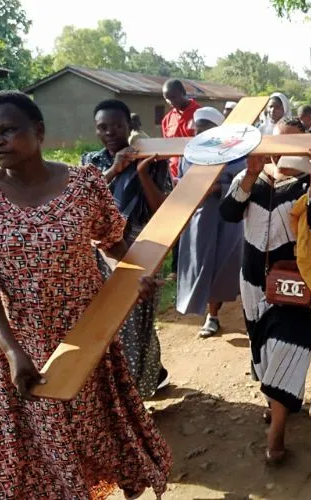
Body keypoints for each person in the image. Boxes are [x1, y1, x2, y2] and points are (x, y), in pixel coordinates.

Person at [0, 90, 171, 498]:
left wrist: (132, 276)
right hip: (13, 341)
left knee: (89, 431)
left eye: (9, 130)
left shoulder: (82, 183)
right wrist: (13, 351)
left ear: (39, 131)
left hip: (83, 333)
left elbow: (113, 241)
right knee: (31, 445)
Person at [219, 117, 311, 464]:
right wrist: (249, 175)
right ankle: (275, 400)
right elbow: (228, 213)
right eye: (279, 143)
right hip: (253, 281)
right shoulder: (251, 178)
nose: (284, 152)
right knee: (262, 348)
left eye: (294, 144)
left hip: (296, 284)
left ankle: (276, 434)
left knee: (287, 348)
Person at [82, 99, 173, 398]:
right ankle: (148, 376)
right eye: (102, 127)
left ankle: (135, 393)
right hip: (101, 250)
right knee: (114, 321)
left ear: (129, 126)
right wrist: (115, 170)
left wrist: (142, 173)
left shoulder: (153, 158)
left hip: (142, 246)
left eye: (117, 125)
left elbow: (164, 208)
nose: (110, 132)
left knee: (136, 319)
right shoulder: (91, 163)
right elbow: (82, 204)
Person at [176, 107, 244, 337]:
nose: (201, 133)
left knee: (221, 264)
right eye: (198, 129)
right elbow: (181, 181)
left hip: (226, 216)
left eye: (207, 128)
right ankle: (205, 310)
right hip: (200, 217)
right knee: (199, 263)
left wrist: (220, 188)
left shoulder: (235, 154)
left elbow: (243, 181)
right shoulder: (189, 154)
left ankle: (213, 314)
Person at [161, 79, 199, 276]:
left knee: (195, 223)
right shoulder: (167, 120)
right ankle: (177, 268)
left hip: (196, 178)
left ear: (183, 92)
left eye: (173, 97)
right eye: (167, 99)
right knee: (177, 222)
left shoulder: (199, 114)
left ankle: (196, 262)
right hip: (174, 178)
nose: (170, 102)